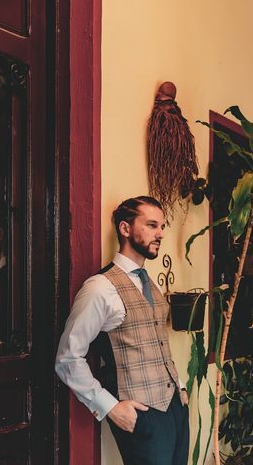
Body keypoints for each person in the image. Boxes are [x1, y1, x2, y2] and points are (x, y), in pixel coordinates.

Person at [55, 196, 189, 464]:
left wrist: (180, 387)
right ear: (125, 229)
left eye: (162, 226)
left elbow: (156, 341)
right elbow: (67, 358)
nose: (160, 233)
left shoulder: (149, 282)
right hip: (142, 413)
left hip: (175, 407)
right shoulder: (100, 288)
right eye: (151, 225)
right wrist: (111, 408)